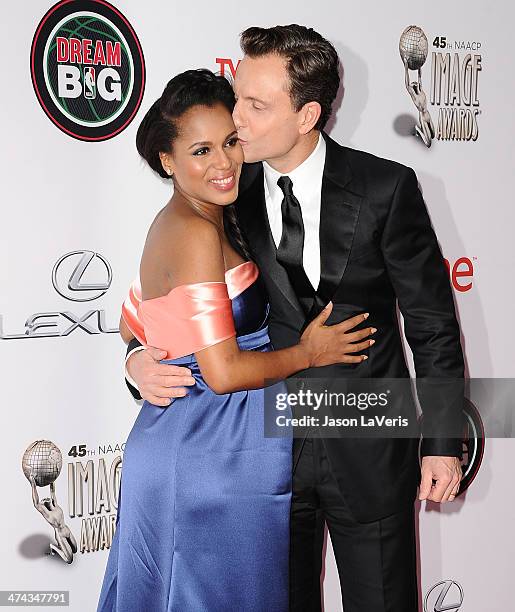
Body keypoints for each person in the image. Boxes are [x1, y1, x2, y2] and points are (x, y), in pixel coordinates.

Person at [125, 25, 465, 612]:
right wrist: (134, 361)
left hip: (369, 449)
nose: (237, 119)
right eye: (237, 97)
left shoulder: (386, 188)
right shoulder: (226, 190)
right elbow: (157, 300)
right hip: (259, 464)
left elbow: (432, 324)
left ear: (307, 115)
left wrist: (442, 443)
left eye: (255, 106)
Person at [97, 69, 375, 612]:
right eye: (201, 150)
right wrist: (309, 354)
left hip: (230, 451)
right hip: (205, 455)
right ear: (167, 162)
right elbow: (222, 373)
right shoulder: (196, 230)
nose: (223, 163)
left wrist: (135, 357)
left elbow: (135, 318)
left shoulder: (204, 215)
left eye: (229, 142)